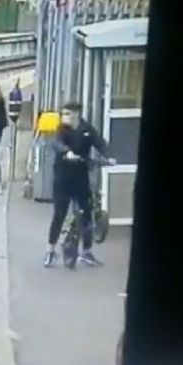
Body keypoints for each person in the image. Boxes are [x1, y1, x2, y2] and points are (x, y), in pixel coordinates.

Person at [44, 102, 115, 268]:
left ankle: (87, 252)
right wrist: (66, 152)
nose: (64, 117)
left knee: (86, 215)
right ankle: (50, 251)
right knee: (59, 215)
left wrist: (108, 156)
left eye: (67, 114)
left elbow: (100, 143)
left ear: (76, 114)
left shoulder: (87, 130)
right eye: (63, 114)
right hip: (62, 179)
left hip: (81, 179)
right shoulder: (61, 130)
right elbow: (56, 143)